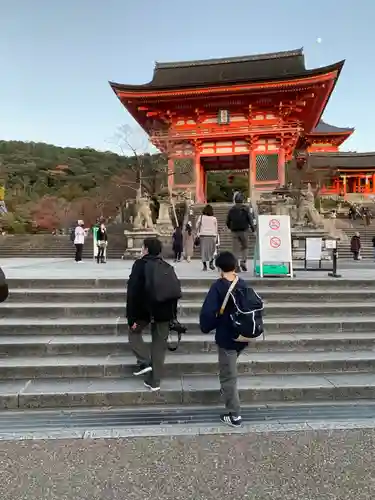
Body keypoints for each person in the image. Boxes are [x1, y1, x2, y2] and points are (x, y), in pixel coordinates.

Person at [199, 251, 263, 427]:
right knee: (230, 367)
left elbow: (208, 313)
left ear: (219, 268)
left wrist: (206, 326)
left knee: (228, 376)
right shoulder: (243, 283)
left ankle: (235, 415)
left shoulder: (218, 286)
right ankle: (227, 392)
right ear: (235, 266)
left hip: (227, 336)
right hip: (243, 335)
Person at [126, 238, 180, 391]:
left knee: (133, 333)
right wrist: (172, 315)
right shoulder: (167, 266)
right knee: (159, 346)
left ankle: (145, 361)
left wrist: (131, 318)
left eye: (143, 247)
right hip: (164, 311)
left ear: (146, 249)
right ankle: (155, 381)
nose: (142, 250)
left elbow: (133, 293)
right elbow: (173, 292)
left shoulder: (140, 265)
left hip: (143, 310)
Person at [226, 192, 255, 272]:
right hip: (244, 231)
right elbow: (250, 219)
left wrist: (230, 227)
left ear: (235, 200)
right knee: (245, 247)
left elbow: (228, 221)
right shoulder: (246, 209)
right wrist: (253, 229)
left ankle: (236, 266)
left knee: (235, 250)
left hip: (234, 231)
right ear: (242, 200)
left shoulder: (231, 210)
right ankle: (243, 261)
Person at [196, 204, 218, 271]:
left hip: (203, 236)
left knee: (203, 251)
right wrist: (216, 238)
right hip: (212, 236)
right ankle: (211, 263)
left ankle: (204, 266)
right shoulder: (214, 218)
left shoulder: (201, 217)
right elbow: (216, 229)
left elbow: (197, 226)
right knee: (212, 250)